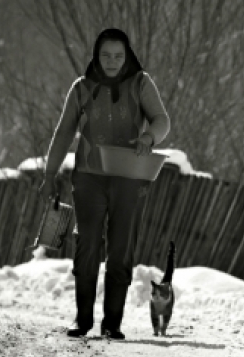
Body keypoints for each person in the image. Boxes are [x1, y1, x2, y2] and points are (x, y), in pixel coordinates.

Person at [39, 28, 170, 339]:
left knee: (121, 249)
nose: (112, 61)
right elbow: (63, 134)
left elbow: (162, 120)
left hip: (128, 177)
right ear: (96, 56)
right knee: (87, 245)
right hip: (88, 177)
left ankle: (112, 322)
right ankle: (82, 318)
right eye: (106, 55)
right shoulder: (82, 89)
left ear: (127, 57)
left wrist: (149, 137)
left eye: (118, 56)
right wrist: (49, 174)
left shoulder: (141, 83)